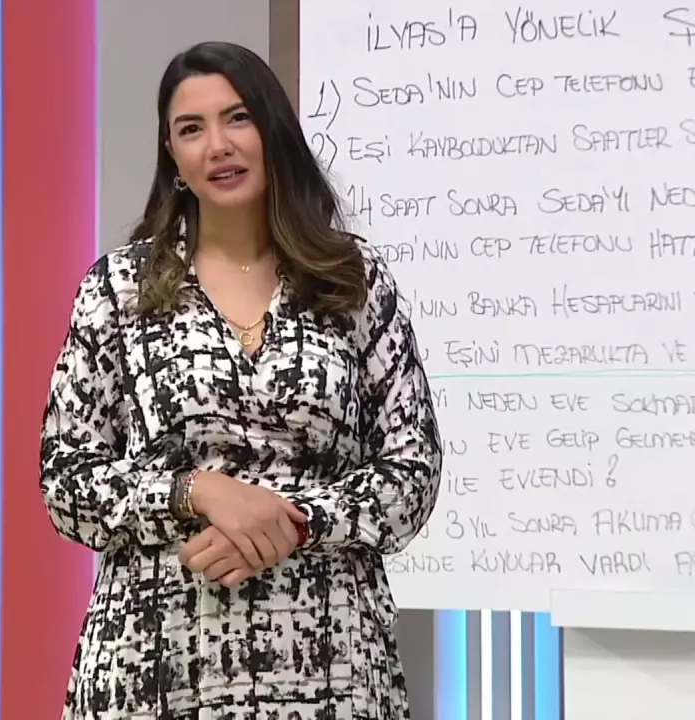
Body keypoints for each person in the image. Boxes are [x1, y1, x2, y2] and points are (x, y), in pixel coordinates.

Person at [40, 40, 443, 719]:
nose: (218, 145)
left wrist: (295, 522)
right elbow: (67, 480)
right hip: (157, 655)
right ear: (172, 155)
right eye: (191, 129)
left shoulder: (353, 281)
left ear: (272, 131)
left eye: (237, 118)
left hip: (332, 655)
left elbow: (412, 471)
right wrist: (196, 491)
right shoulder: (120, 288)